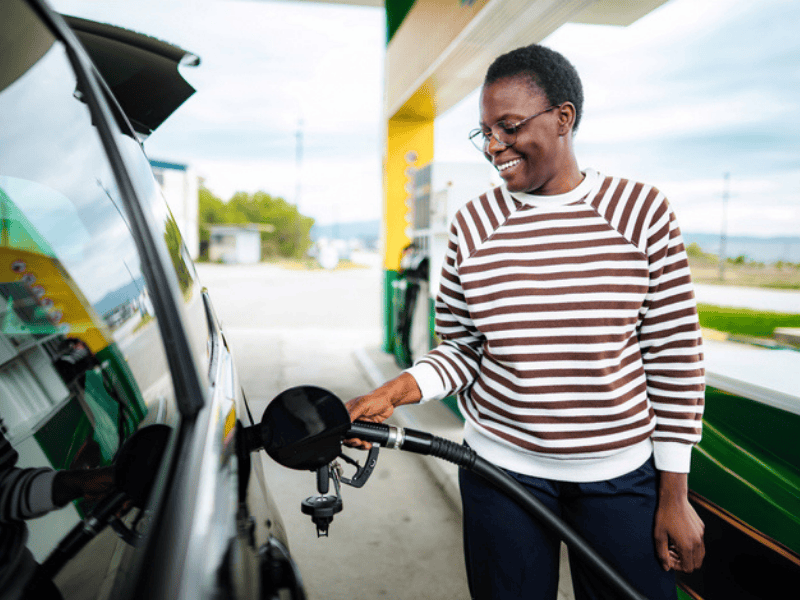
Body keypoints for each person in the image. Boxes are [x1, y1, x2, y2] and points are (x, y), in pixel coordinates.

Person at [347, 43, 705, 600]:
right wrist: (399, 389)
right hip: (501, 472)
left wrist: (675, 493)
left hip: (621, 477)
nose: (494, 146)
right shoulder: (474, 223)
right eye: (485, 131)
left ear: (564, 118)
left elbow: (674, 356)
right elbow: (463, 347)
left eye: (508, 127)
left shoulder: (641, 213)